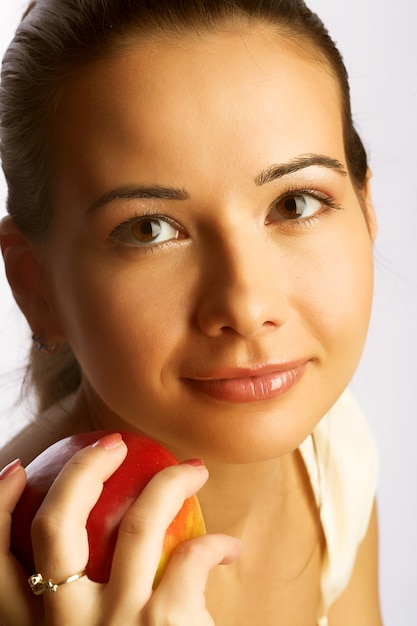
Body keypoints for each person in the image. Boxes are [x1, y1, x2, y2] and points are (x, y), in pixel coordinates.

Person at [0, 0, 383, 624]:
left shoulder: (333, 453)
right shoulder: (17, 581)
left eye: (294, 203)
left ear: (367, 214)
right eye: (149, 229)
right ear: (35, 287)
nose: (246, 305)